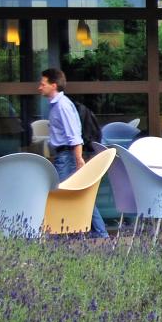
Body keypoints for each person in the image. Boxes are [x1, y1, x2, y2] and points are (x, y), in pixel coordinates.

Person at [37, 68, 108, 237]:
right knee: (77, 193)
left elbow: (74, 136)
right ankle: (98, 233)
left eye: (43, 84)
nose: (39, 87)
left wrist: (78, 160)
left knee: (66, 195)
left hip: (67, 156)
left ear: (53, 85)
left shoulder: (62, 106)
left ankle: (92, 233)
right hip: (64, 156)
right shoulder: (56, 105)